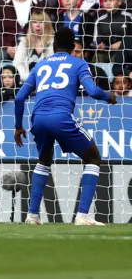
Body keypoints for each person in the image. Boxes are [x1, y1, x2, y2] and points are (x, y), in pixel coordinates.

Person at [14, 27, 116, 226]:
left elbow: (19, 98)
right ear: (72, 47)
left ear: (53, 46)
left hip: (38, 118)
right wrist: (109, 96)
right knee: (93, 157)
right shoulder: (78, 63)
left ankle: (32, 215)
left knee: (43, 160)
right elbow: (93, 91)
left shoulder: (40, 65)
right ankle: (82, 215)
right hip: (61, 117)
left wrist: (18, 127)